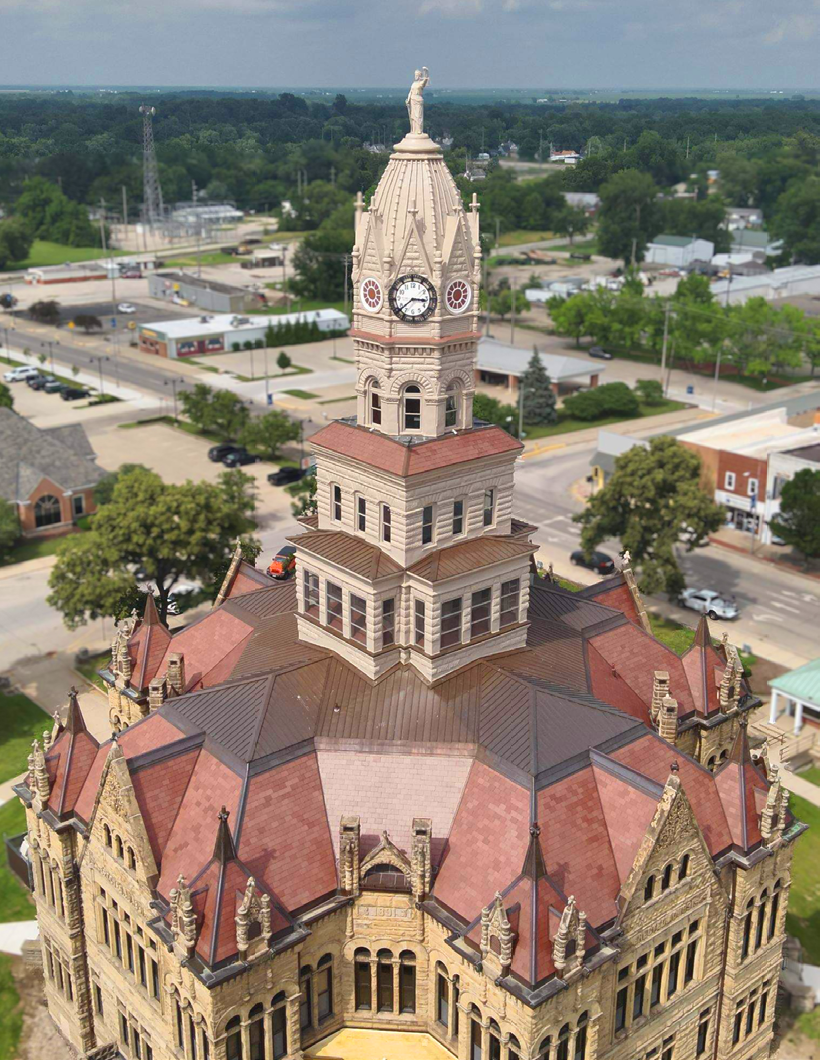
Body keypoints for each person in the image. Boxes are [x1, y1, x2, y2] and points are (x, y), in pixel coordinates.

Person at [406, 67, 429, 135]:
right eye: (415, 75)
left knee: (418, 116)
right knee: (413, 116)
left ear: (419, 76)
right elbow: (410, 92)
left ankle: (419, 130)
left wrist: (426, 72)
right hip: (412, 100)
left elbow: (425, 80)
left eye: (416, 75)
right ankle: (413, 130)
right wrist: (408, 100)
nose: (415, 76)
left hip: (418, 99)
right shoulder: (413, 83)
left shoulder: (421, 83)